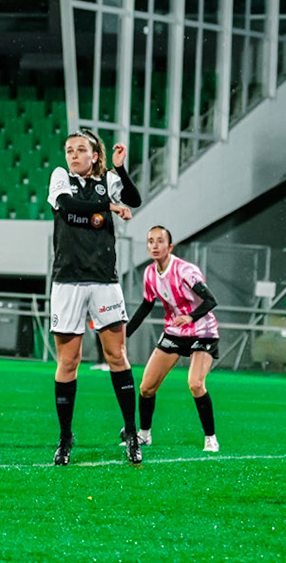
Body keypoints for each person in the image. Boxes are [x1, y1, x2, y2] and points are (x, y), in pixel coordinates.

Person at [47, 129, 143, 466]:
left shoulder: (108, 181)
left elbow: (135, 199)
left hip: (104, 279)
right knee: (68, 362)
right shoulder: (61, 178)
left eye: (80, 149)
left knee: (117, 355)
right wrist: (109, 207)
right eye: (69, 150)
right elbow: (67, 206)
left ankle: (132, 433)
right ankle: (65, 437)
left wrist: (122, 169)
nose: (73, 155)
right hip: (68, 280)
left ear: (95, 155)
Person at [124, 225, 222, 453]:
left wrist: (190, 317)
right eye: (151, 241)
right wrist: (124, 333)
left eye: (160, 241)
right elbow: (147, 305)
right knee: (146, 387)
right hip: (174, 333)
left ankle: (210, 438)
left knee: (195, 384)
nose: (155, 245)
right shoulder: (150, 274)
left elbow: (211, 300)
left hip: (202, 331)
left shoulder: (185, 270)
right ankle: (144, 435)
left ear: (170, 247)